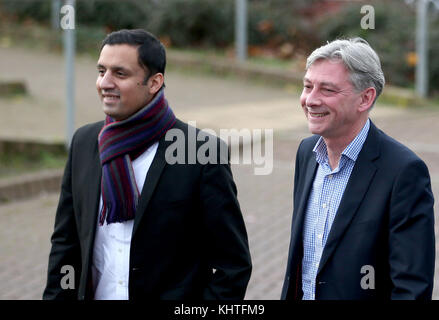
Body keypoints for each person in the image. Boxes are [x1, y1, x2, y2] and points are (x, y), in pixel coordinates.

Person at [43, 29, 252, 300]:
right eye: (101, 71)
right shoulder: (84, 143)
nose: (105, 82)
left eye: (120, 74)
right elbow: (66, 245)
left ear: (154, 82)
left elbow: (232, 265)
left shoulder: (201, 152)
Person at [281, 38, 435, 300]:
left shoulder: (404, 172)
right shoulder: (307, 153)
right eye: (308, 86)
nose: (311, 100)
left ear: (365, 98)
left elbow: (412, 288)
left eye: (327, 90)